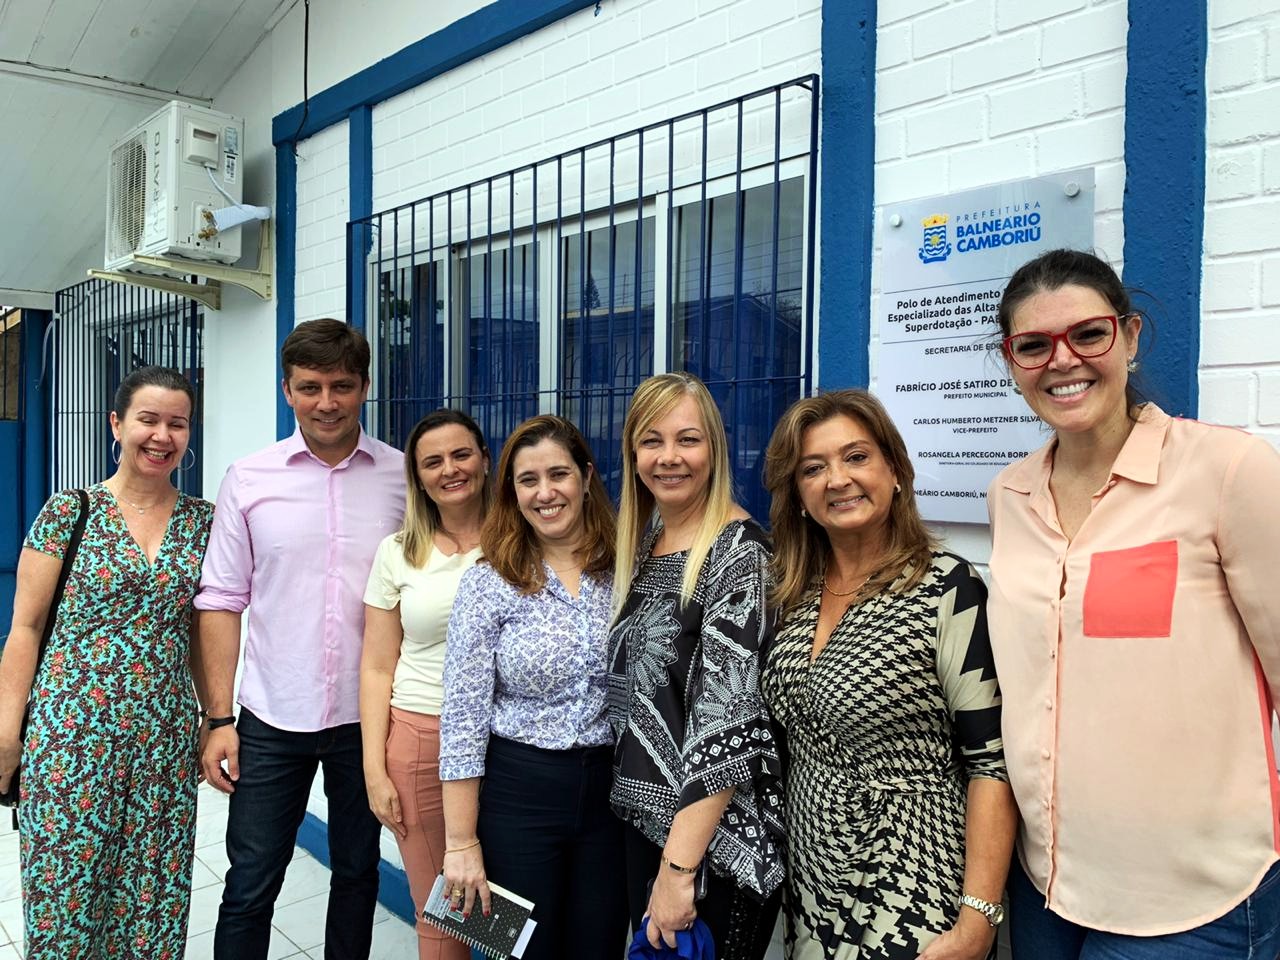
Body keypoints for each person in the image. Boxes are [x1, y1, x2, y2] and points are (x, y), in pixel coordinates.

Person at [988, 249, 1280, 959]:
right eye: (1034, 345)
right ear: (1011, 360)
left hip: (1190, 899)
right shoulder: (1010, 496)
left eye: (1088, 334)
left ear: (1131, 335)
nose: (1063, 361)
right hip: (1046, 884)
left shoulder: (1227, 471)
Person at [760, 388, 1016, 960]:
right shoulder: (791, 592)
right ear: (799, 494)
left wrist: (978, 919)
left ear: (895, 470)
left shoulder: (947, 587)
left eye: (856, 457)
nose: (838, 479)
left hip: (914, 870)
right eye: (814, 468)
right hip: (814, 872)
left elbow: (991, 762)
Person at [195, 319, 404, 960]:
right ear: (288, 390)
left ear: (365, 386)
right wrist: (220, 718)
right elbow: (222, 601)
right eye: (310, 387)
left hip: (370, 720)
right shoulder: (249, 478)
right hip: (271, 716)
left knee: (357, 873)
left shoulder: (403, 478)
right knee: (252, 884)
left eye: (342, 385)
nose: (327, 402)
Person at [0, 366, 213, 958]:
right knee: (65, 899)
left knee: (152, 900)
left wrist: (215, 719)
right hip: (71, 738)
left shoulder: (205, 522)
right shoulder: (70, 512)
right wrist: (6, 732)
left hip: (163, 744)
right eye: (148, 419)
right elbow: (25, 628)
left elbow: (201, 634)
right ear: (117, 424)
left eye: (177, 423)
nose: (161, 435)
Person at [608, 372, 786, 960]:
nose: (668, 458)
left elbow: (726, 727)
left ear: (715, 447)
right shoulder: (648, 540)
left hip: (712, 848)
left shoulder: (739, 555)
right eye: (651, 441)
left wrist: (678, 871)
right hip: (648, 827)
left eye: (688, 439)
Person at [439, 415, 626, 960]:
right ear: (512, 491)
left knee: (598, 947)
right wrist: (461, 843)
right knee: (517, 954)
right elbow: (464, 716)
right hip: (516, 794)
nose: (546, 493)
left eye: (559, 474)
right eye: (528, 480)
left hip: (610, 799)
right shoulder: (488, 579)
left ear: (587, 478)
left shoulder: (625, 569)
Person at [360, 409, 490, 960]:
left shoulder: (523, 536)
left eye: (461, 455)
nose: (450, 470)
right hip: (423, 742)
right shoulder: (398, 552)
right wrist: (373, 768)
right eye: (432, 462)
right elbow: (376, 665)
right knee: (444, 908)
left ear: (485, 461)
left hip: (512, 742)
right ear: (417, 477)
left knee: (512, 902)